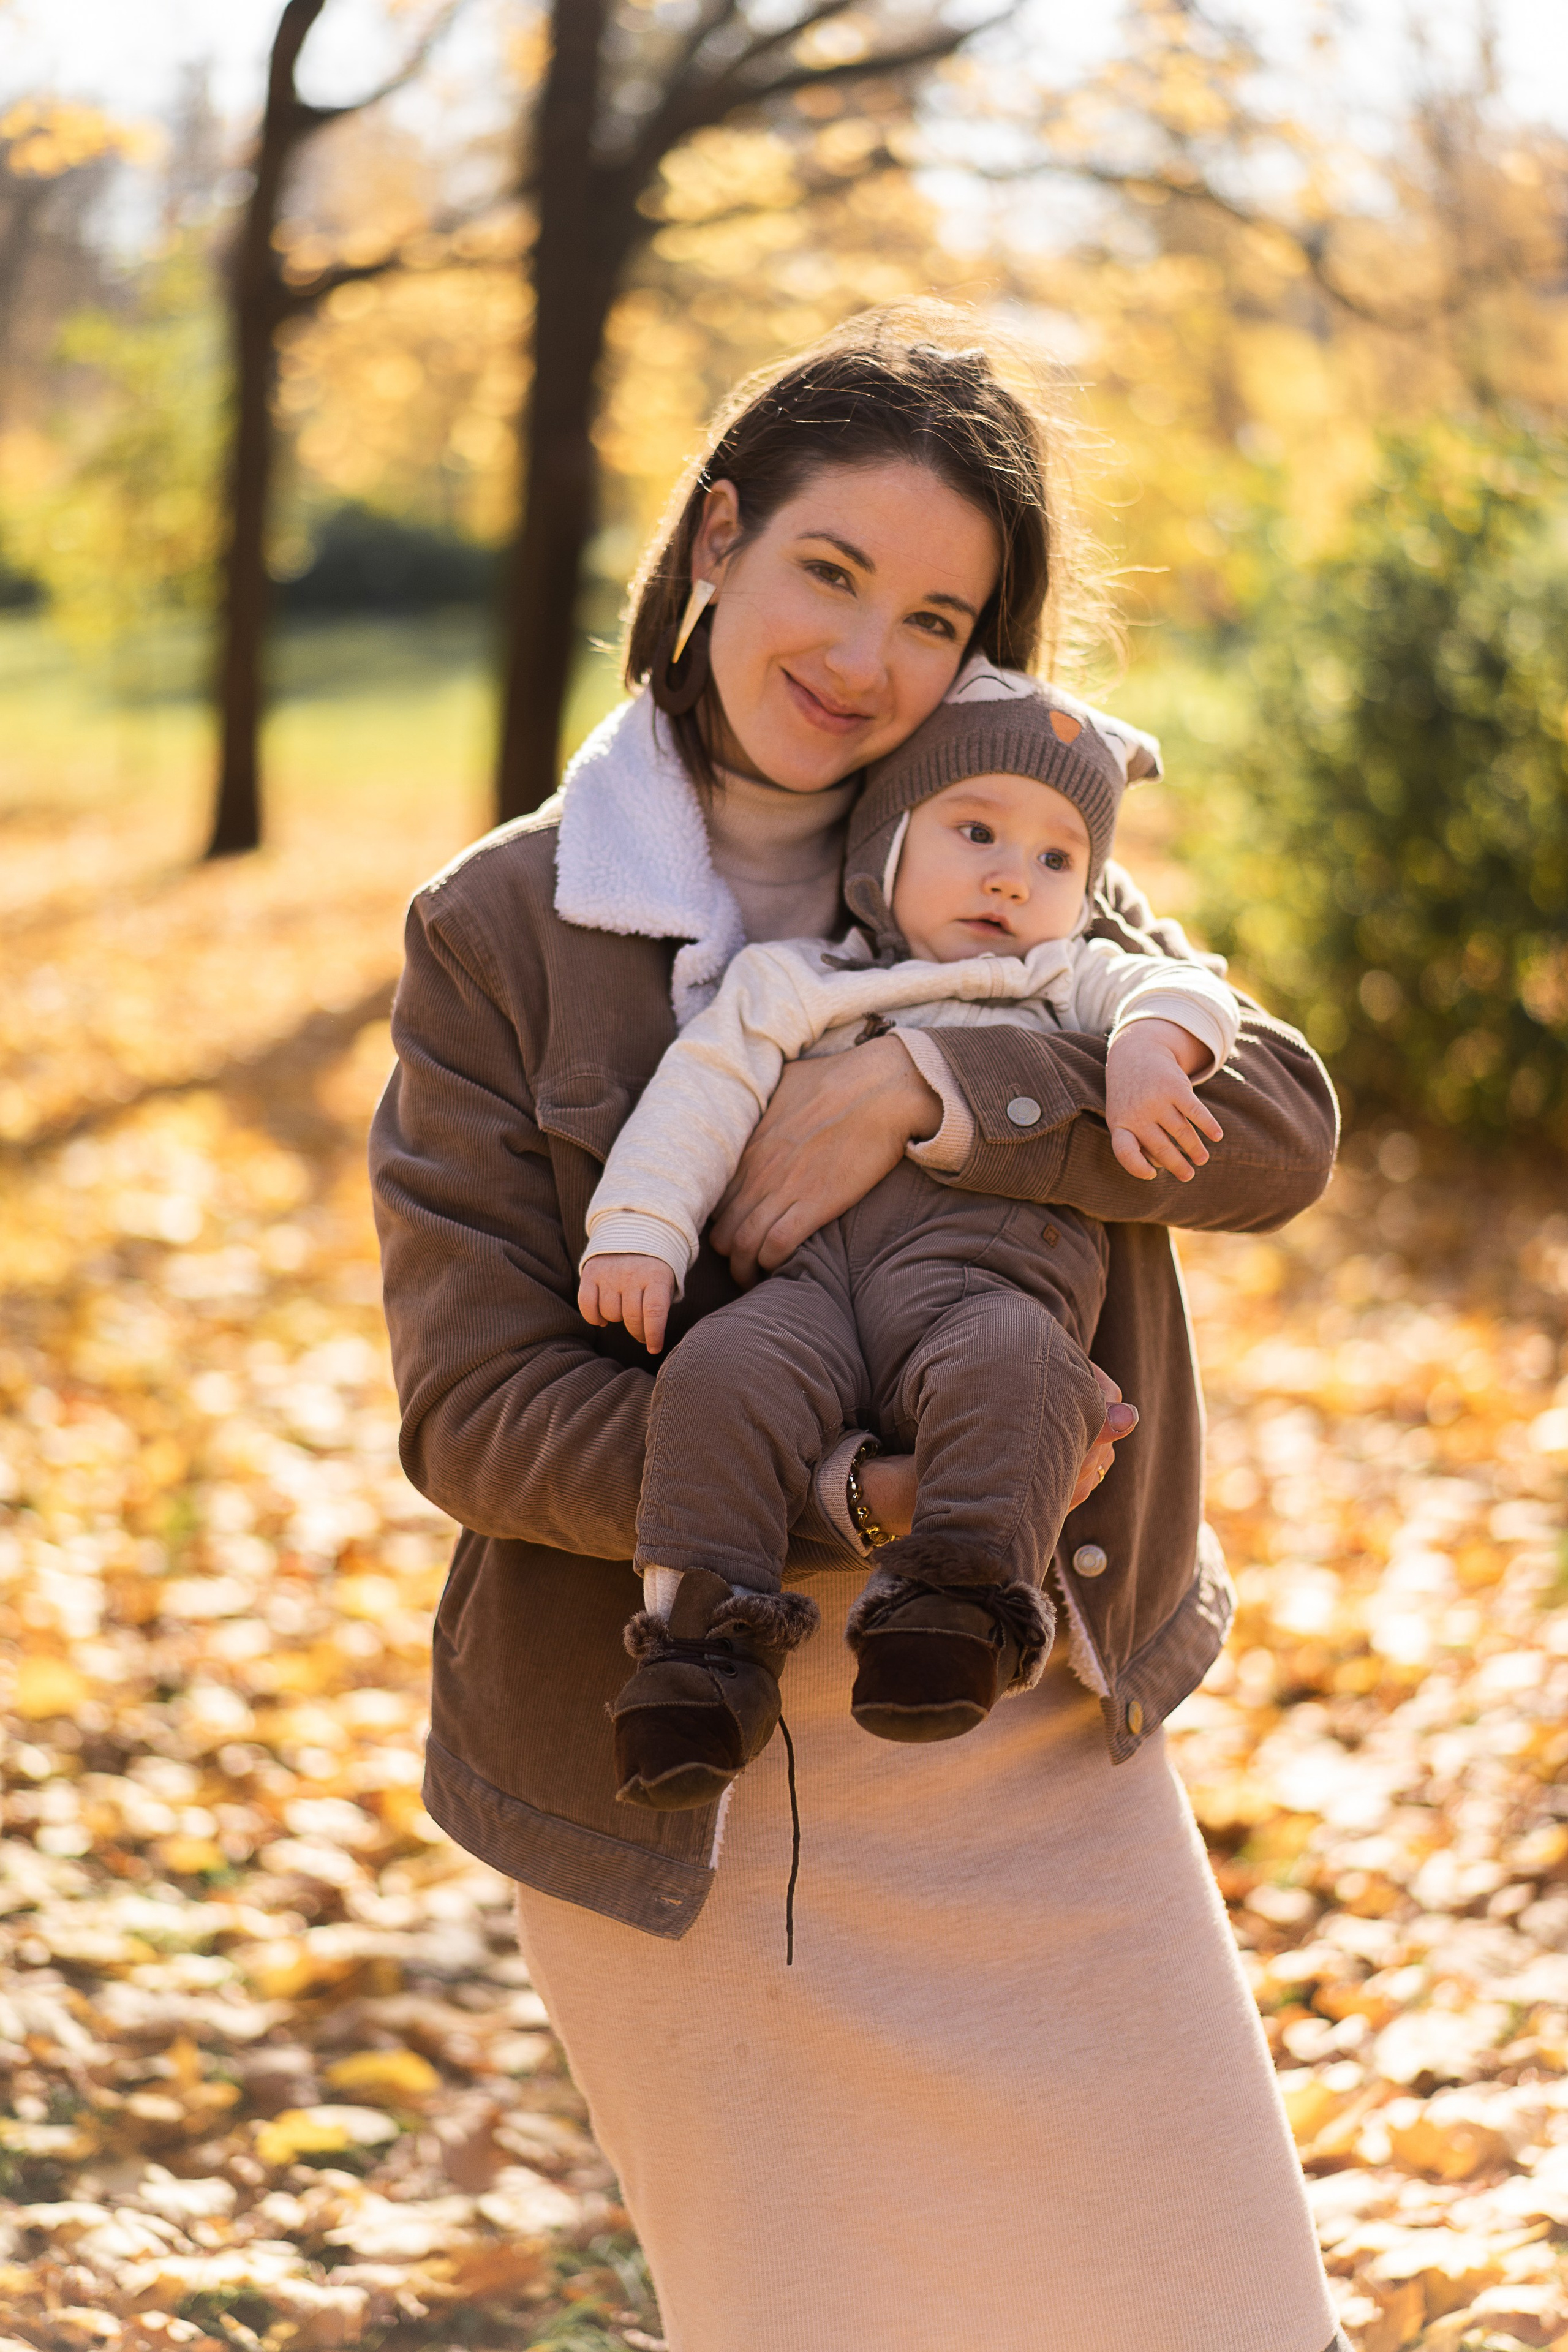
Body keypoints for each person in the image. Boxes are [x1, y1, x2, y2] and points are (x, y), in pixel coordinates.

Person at [371, 308, 1348, 2352]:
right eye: (829, 571)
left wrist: (941, 1095)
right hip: (680, 1767)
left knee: (1219, 2311)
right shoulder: (501, 928)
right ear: (718, 535)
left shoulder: (1001, 850)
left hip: (1024, 1710)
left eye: (935, 612)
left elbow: (1271, 1127)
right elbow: (476, 1412)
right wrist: (841, 1489)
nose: (866, 655)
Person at [579, 661, 1243, 1799]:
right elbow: (702, 1090)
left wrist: (1146, 1051)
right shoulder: (798, 981)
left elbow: (1188, 992)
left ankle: (956, 1606)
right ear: (887, 846)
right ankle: (698, 1657)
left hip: (986, 1283)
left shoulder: (1064, 975)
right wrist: (640, 1229)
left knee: (1028, 1373)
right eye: (975, 830)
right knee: (719, 1374)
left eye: (1055, 858)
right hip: (813, 1289)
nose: (1010, 877)